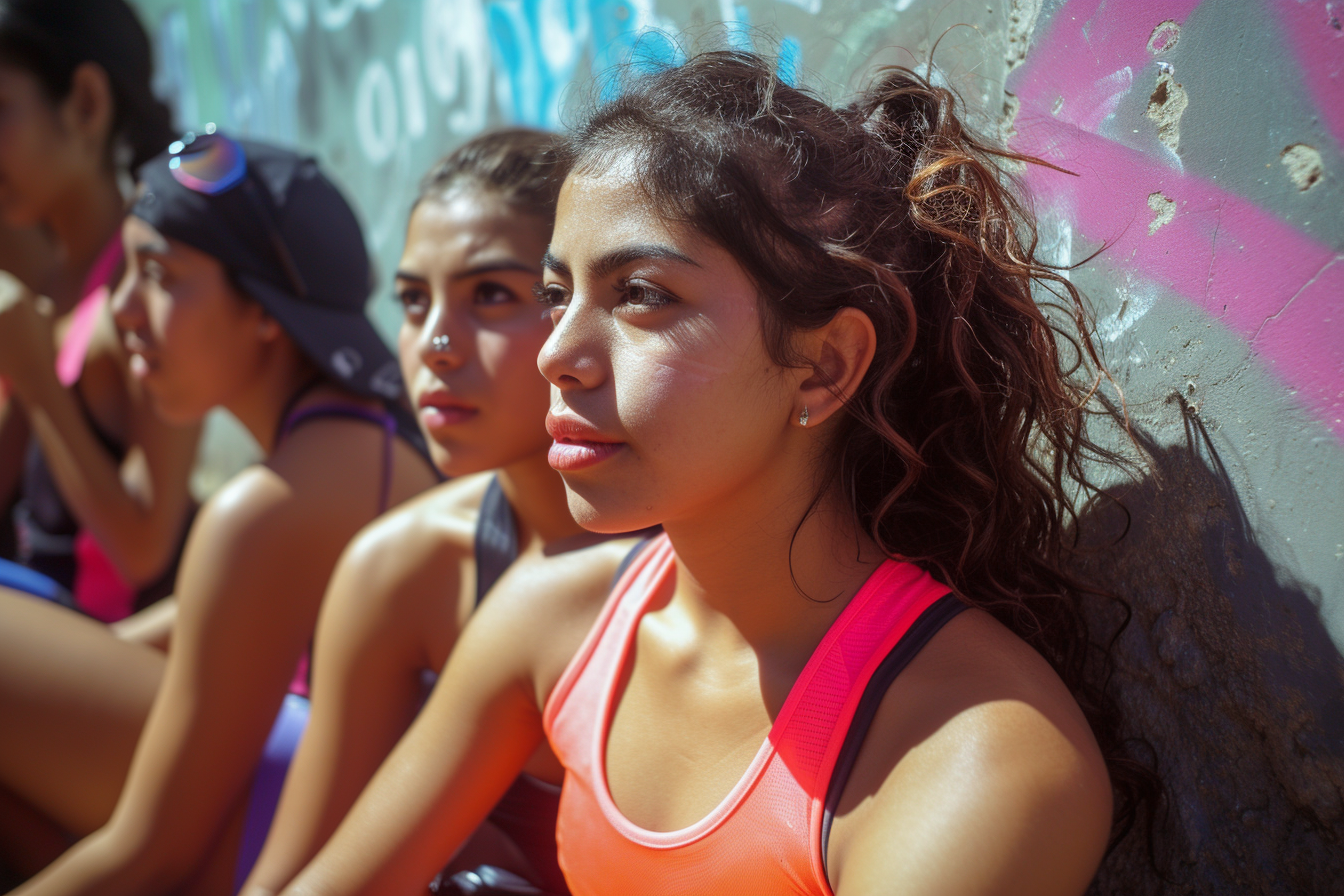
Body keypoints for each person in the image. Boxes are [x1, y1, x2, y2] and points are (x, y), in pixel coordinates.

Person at [277, 51, 1156, 896]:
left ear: (824, 367)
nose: (556, 354)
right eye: (557, 295)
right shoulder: (555, 619)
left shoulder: (980, 759)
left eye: (642, 295)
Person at [0, 132, 439, 894]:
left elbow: (151, 852)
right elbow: (209, 624)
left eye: (159, 276)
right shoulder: (360, 436)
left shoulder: (269, 506)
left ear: (266, 311)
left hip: (290, 830)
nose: (122, 310)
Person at [240, 130, 645, 896]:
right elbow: (291, 876)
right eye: (413, 301)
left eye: (491, 295)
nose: (436, 344)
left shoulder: (714, 558)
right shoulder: (404, 565)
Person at [0, 0, 198, 623]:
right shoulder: (52, 280)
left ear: (85, 103)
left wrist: (35, 379)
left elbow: (144, 549)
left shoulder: (145, 296)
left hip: (124, 671)